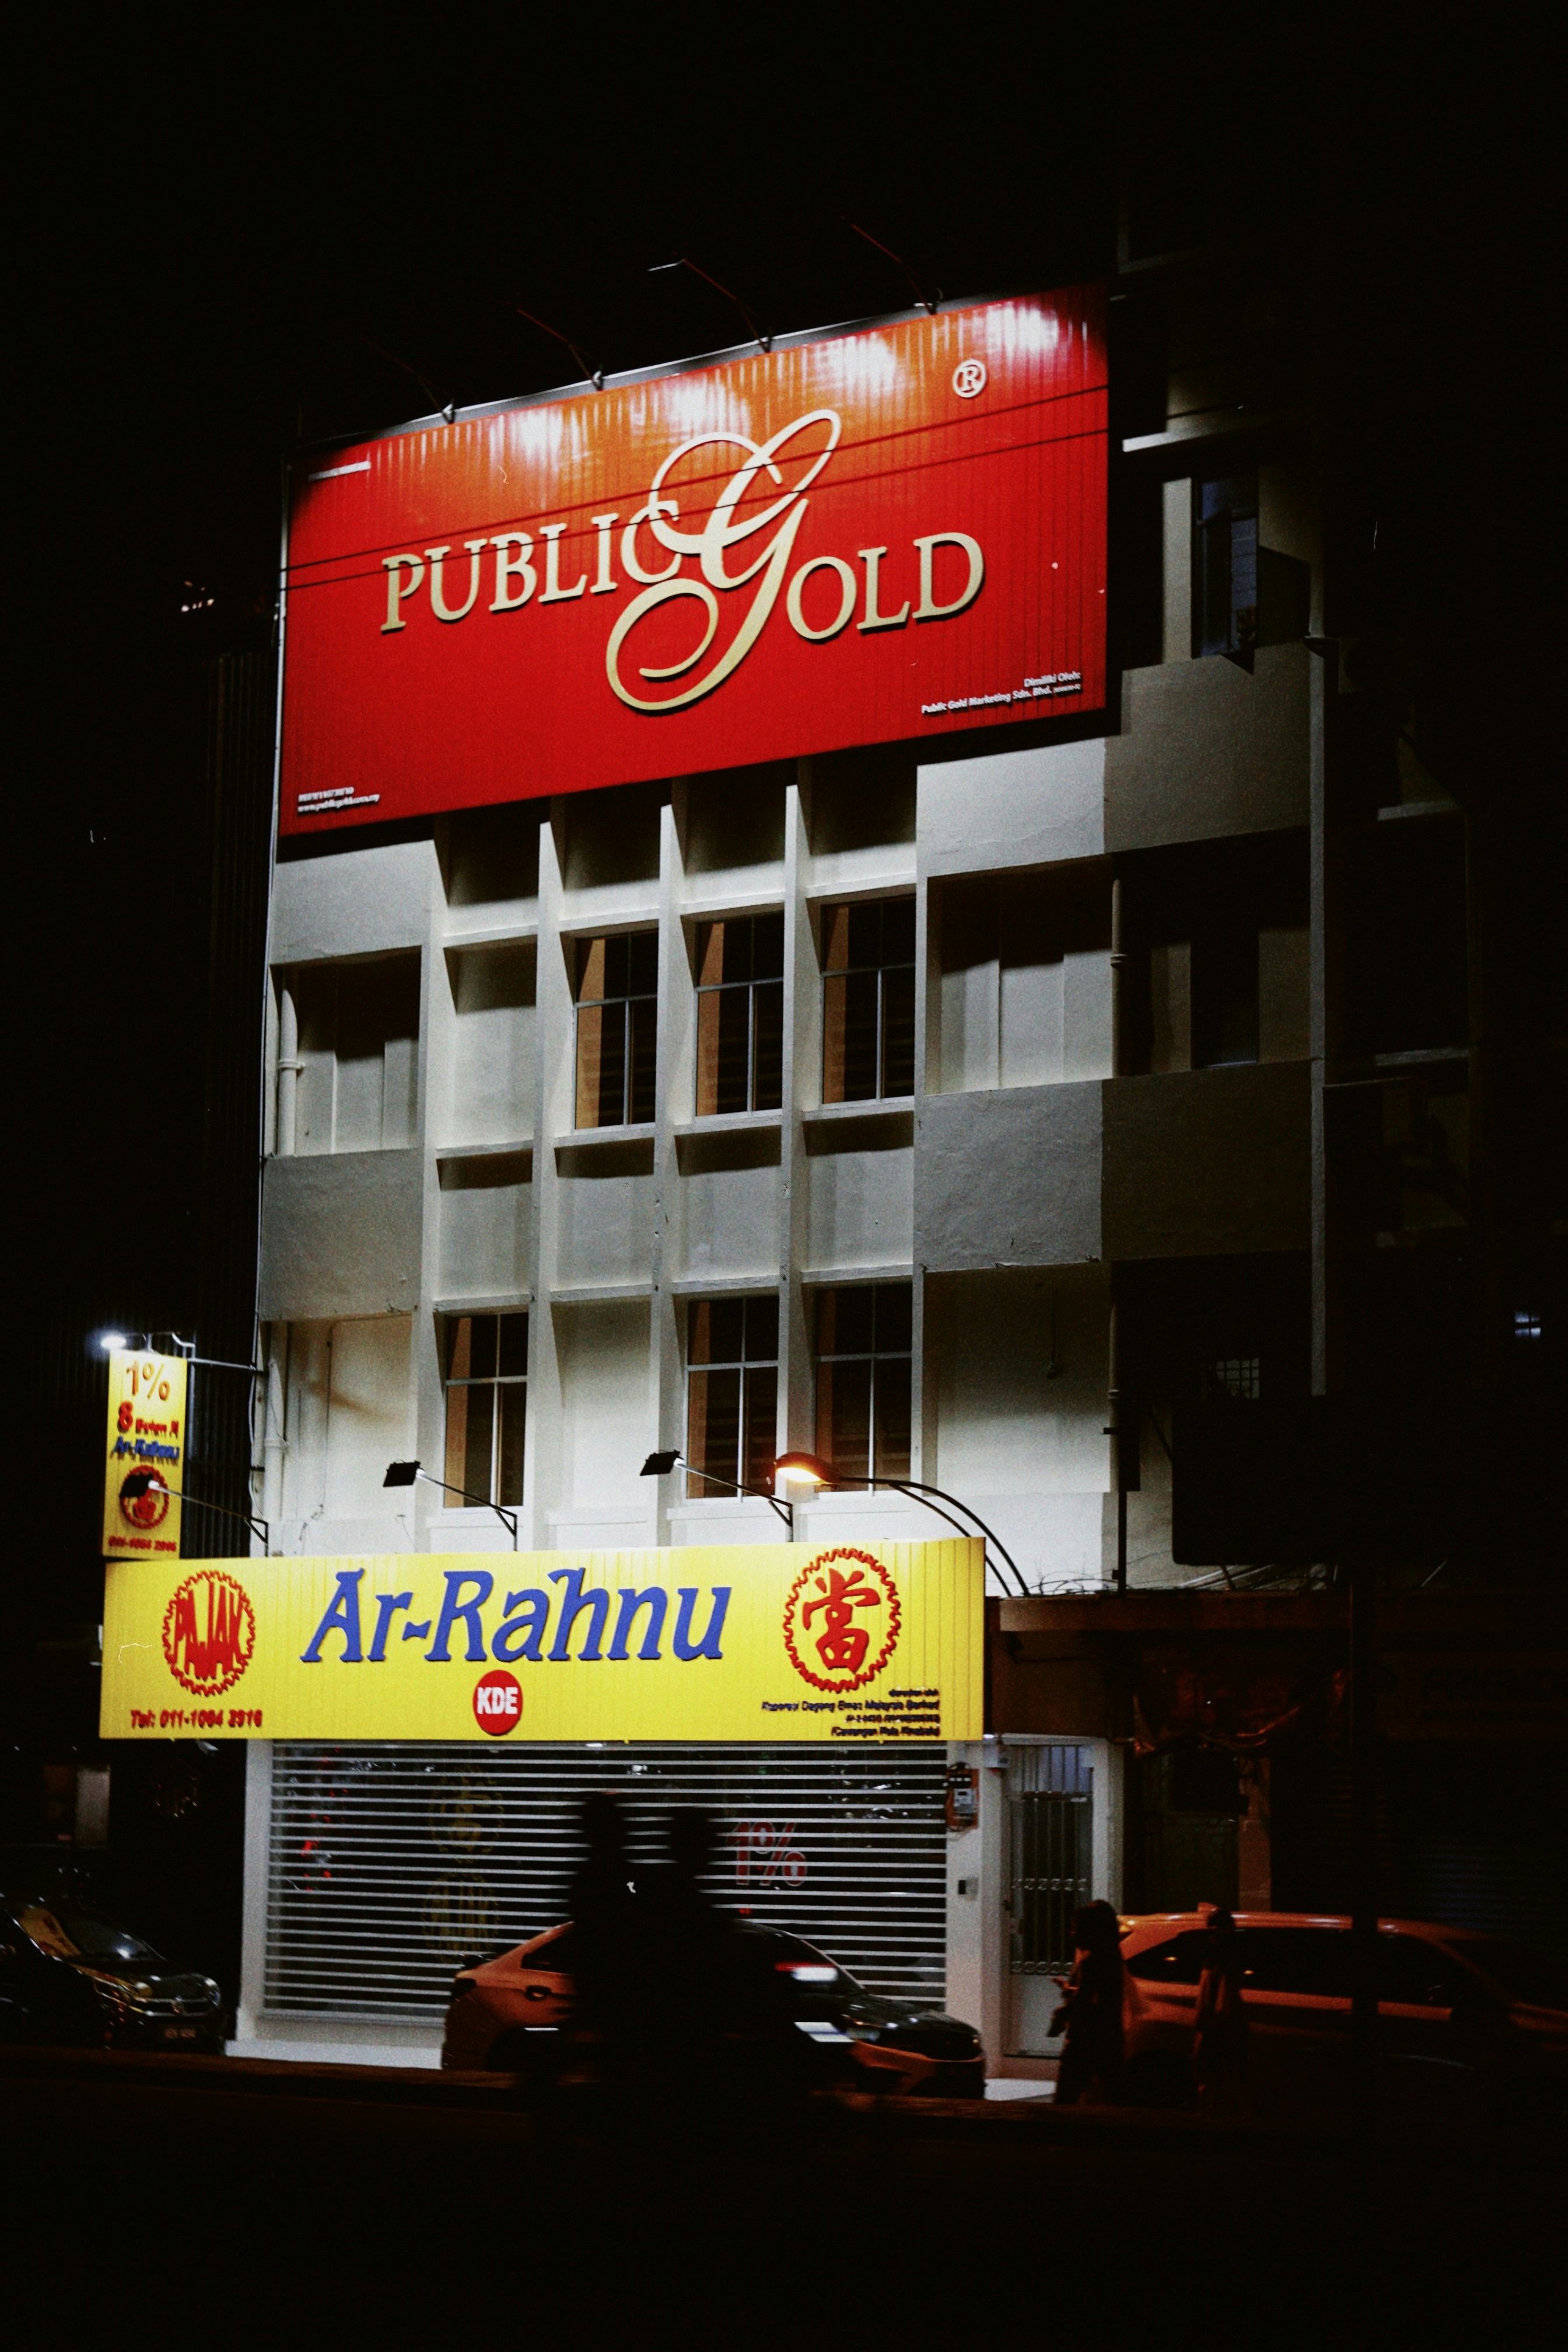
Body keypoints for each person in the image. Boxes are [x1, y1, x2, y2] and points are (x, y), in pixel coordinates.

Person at [1053, 1899, 1126, 2106]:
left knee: (1064, 2101)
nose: (1073, 1934)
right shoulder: (1112, 1956)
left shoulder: (1094, 1960)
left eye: (1077, 1928)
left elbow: (1085, 1998)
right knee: (1116, 2097)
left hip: (1086, 2040)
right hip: (1110, 2039)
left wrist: (1062, 2015)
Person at [1192, 1906, 1251, 2114]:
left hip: (1218, 2025)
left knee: (1216, 2073)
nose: (1211, 1936)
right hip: (1220, 2024)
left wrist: (1209, 2023)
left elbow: (1218, 2002)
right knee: (1225, 2074)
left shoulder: (1222, 1964)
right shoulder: (1223, 1963)